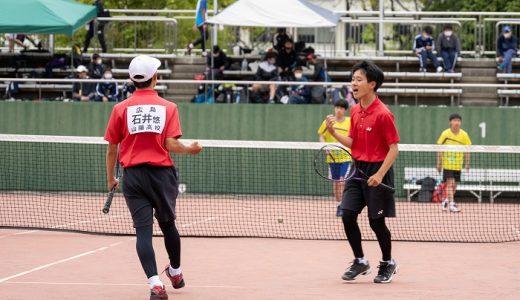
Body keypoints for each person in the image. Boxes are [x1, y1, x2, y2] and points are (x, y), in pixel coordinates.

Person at [104, 55, 202, 300]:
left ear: (131, 80)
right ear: (155, 79)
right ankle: (176, 273)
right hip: (162, 176)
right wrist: (190, 149)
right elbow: (170, 143)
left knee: (143, 232)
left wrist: (110, 179)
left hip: (133, 177)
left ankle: (156, 284)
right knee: (168, 225)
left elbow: (112, 148)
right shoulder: (168, 107)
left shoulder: (120, 108)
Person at [326, 60, 399, 284]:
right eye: (353, 79)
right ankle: (360, 260)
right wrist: (333, 132)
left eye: (359, 79)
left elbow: (394, 148)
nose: (353, 83)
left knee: (376, 223)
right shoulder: (355, 111)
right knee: (347, 214)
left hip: (378, 171)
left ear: (372, 84)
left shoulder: (384, 114)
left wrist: (379, 174)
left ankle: (388, 262)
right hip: (357, 170)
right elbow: (352, 142)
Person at [317, 99, 351, 216]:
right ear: (334, 108)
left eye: (341, 108)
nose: (339, 110)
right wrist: (325, 146)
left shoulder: (350, 122)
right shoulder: (329, 121)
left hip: (346, 156)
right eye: (337, 107)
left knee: (342, 181)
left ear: (345, 110)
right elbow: (321, 135)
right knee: (336, 182)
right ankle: (339, 204)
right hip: (332, 158)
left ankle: (344, 205)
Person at [436, 113, 471, 213]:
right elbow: (439, 148)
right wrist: (439, 163)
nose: (456, 122)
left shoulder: (464, 135)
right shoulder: (445, 134)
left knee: (454, 186)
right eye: (454, 120)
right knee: (450, 184)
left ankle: (446, 201)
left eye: (458, 121)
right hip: (447, 164)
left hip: (458, 165)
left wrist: (467, 163)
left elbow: (468, 149)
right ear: (450, 122)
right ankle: (452, 205)